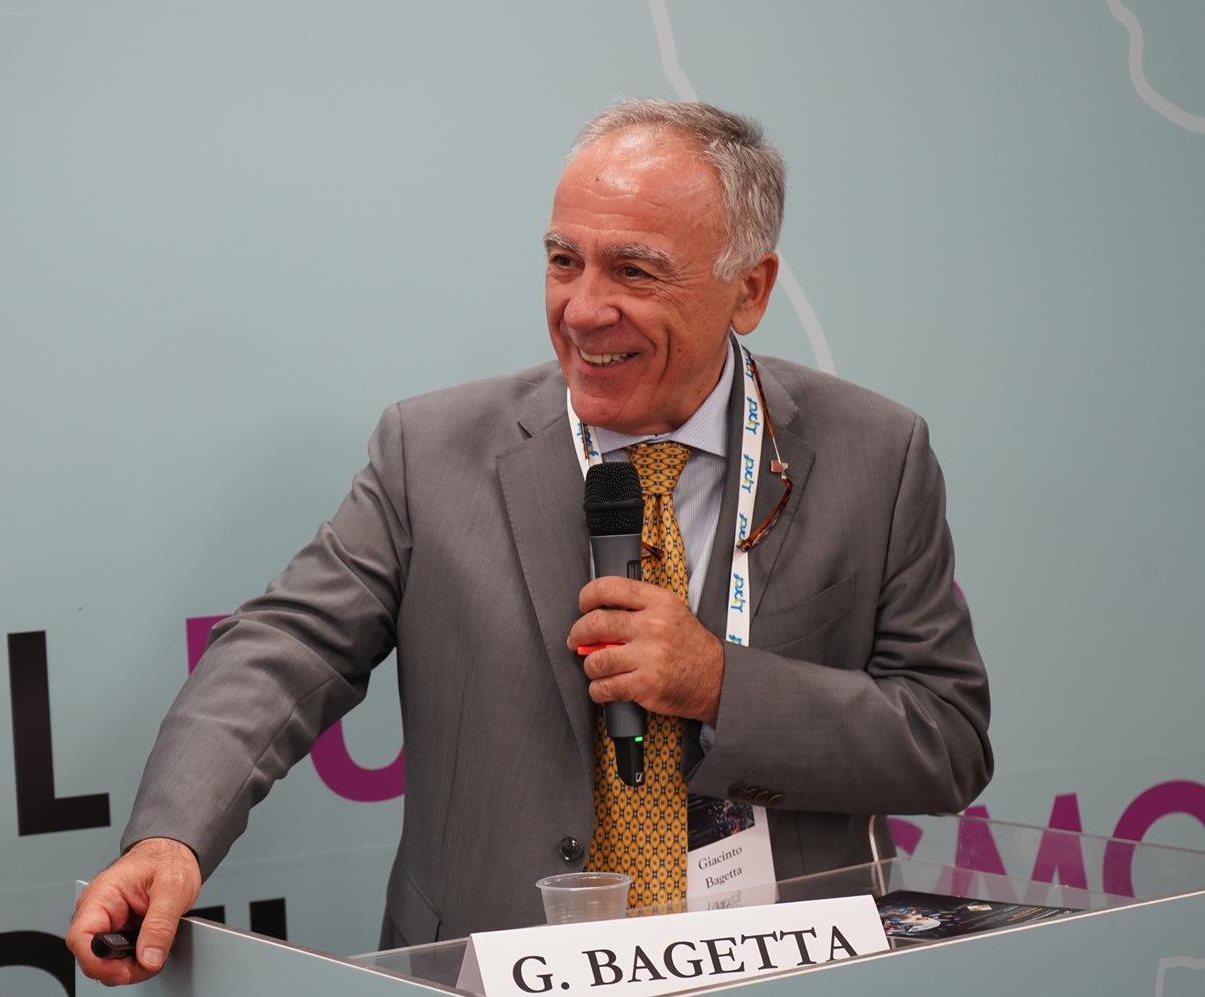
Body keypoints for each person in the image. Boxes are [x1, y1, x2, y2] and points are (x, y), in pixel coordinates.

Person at [68, 98, 992, 985]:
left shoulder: (877, 454)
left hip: (778, 972)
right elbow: (285, 648)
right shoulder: (430, 452)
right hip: (492, 972)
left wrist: (720, 684)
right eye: (563, 261)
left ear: (748, 289)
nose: (584, 310)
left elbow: (947, 737)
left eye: (634, 272)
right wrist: (171, 836)